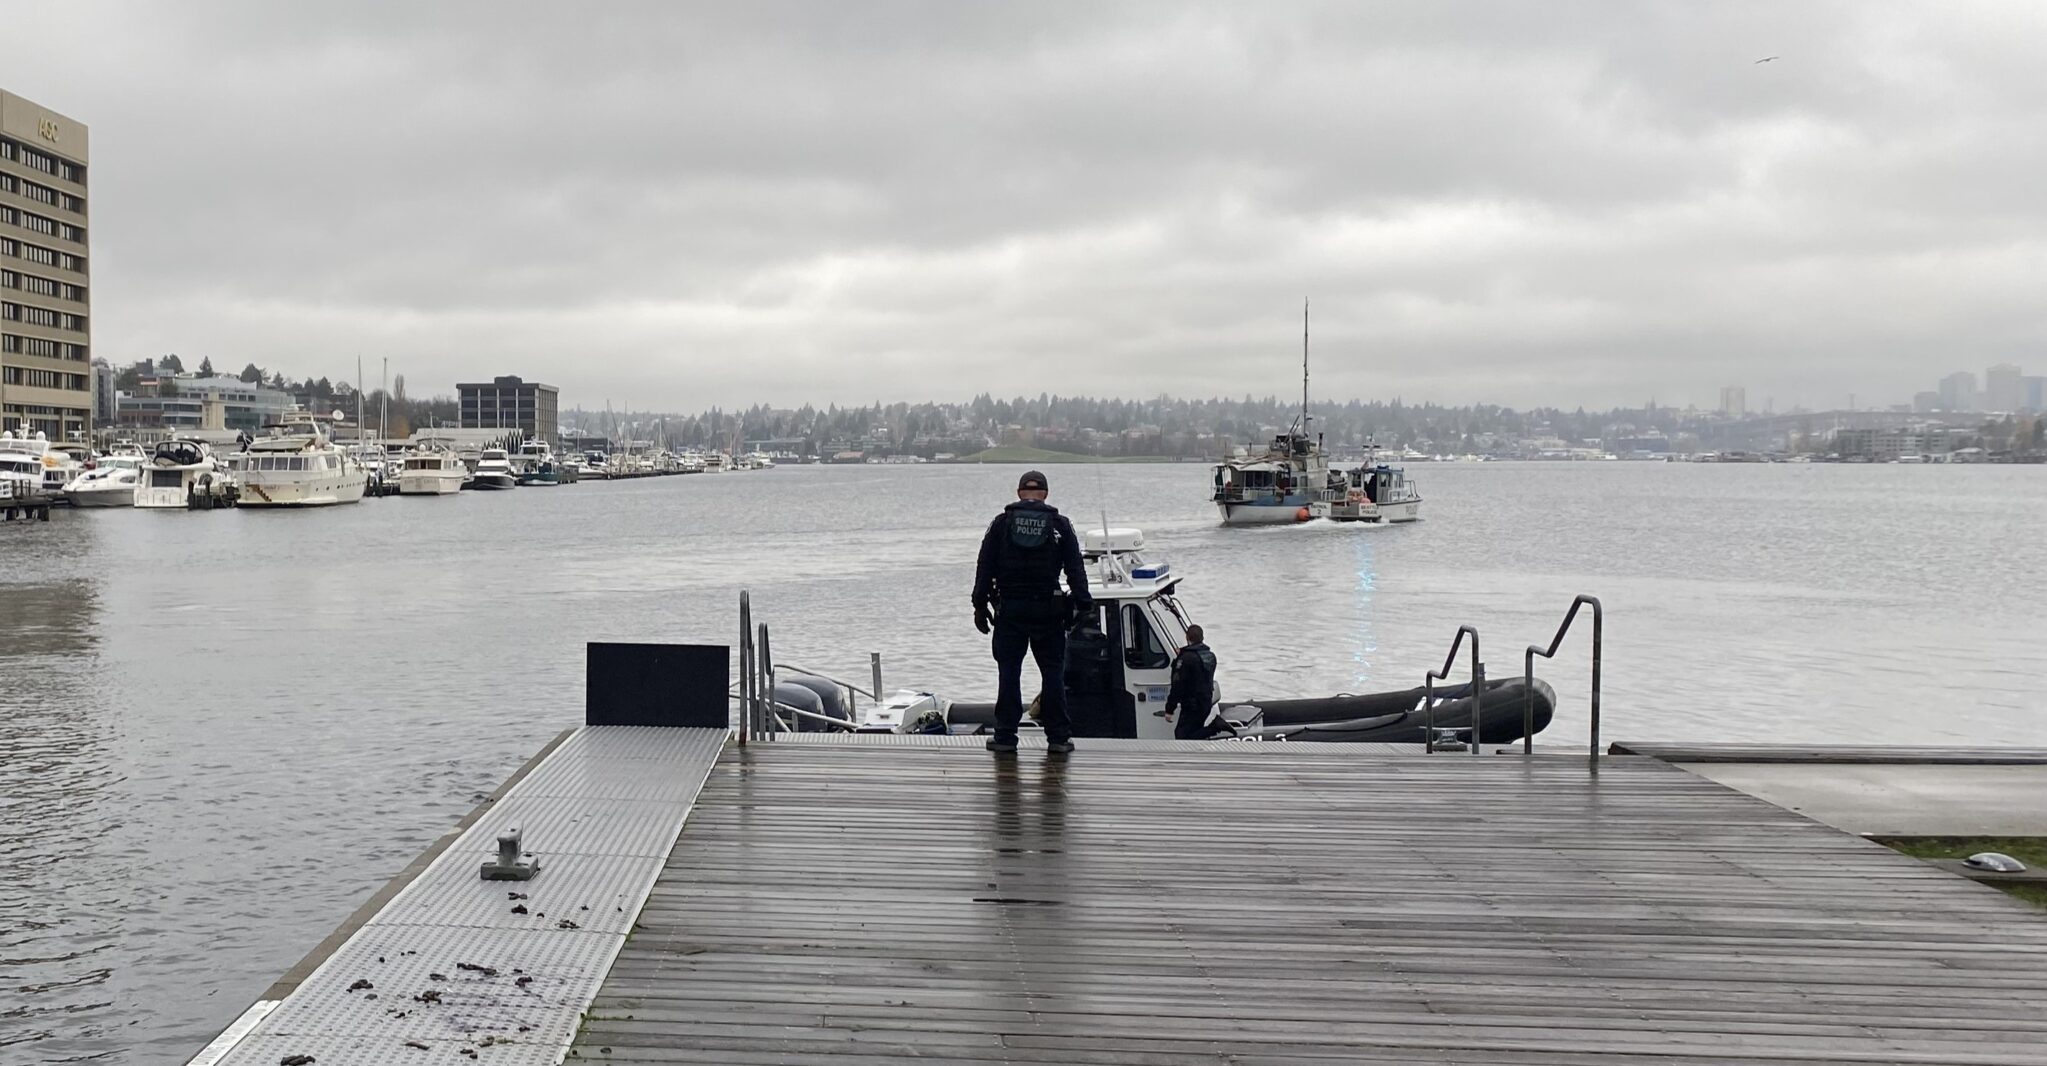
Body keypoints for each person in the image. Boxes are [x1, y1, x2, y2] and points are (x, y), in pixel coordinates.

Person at [973, 470, 1090, 755]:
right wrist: (1083, 604)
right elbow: (1075, 568)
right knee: (1052, 674)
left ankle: (1005, 737)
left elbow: (984, 566)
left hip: (1009, 610)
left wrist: (979, 605)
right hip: (1048, 611)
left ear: (1018, 493)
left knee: (1009, 673)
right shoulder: (1060, 525)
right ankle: (1058, 738)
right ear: (1046, 494)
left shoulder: (1001, 524)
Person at [1165, 624, 1224, 740]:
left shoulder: (1185, 659)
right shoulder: (1210, 656)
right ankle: (1215, 727)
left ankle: (1216, 727)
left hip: (1191, 705)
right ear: (1202, 638)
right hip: (1206, 701)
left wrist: (1170, 709)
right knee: (1195, 732)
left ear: (1187, 637)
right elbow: (1198, 670)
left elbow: (1177, 686)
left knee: (1182, 736)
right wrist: (1182, 654)